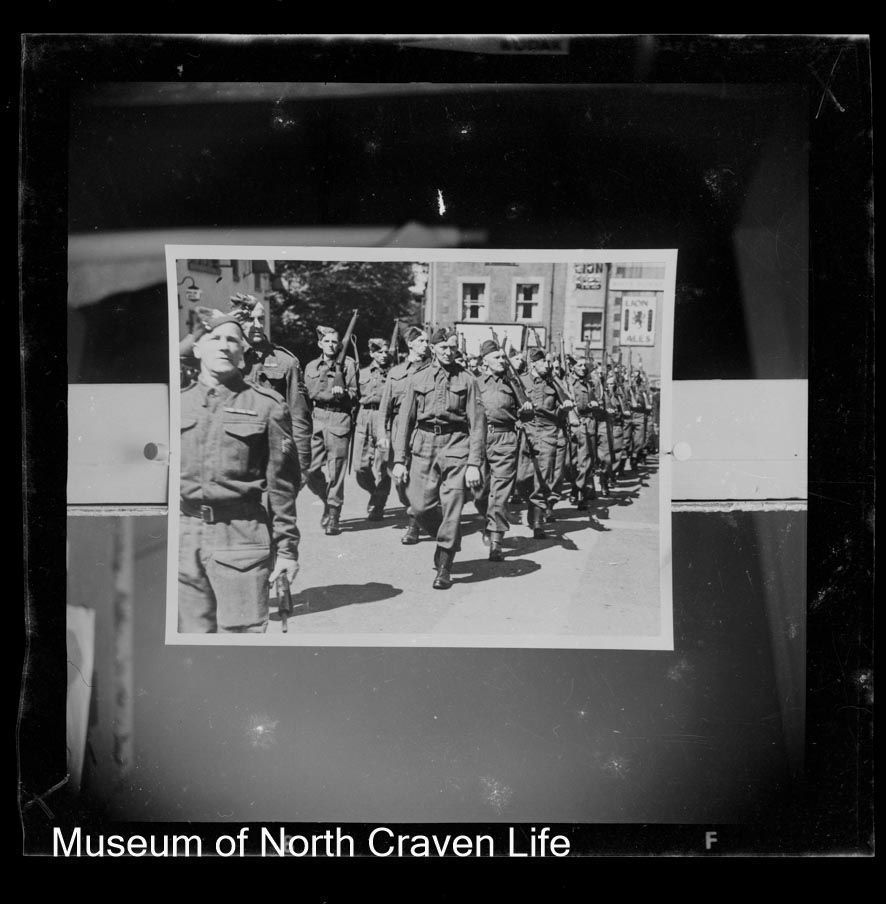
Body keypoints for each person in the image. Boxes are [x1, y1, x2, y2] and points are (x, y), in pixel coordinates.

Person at [178, 313, 300, 634]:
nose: (224, 346)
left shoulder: (266, 405)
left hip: (241, 538)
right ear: (197, 349)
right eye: (214, 338)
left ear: (243, 353)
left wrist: (287, 551)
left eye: (232, 340)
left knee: (240, 641)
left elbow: (283, 487)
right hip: (183, 535)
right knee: (189, 643)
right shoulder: (177, 403)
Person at [392, 327, 485, 589]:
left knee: (453, 507)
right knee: (419, 507)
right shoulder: (417, 377)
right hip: (423, 446)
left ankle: (445, 563)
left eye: (453, 347)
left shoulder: (467, 379)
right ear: (433, 348)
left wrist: (474, 463)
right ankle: (445, 536)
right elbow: (405, 421)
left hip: (456, 446)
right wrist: (399, 459)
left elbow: (477, 424)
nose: (448, 352)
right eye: (443, 347)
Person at [230, 293, 312, 488]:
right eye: (250, 320)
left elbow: (299, 416)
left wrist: (302, 465)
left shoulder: (286, 362)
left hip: (273, 457)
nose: (257, 325)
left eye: (261, 319)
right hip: (234, 457)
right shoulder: (226, 359)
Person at [473, 339, 534, 561]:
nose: (502, 360)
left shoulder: (513, 384)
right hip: (479, 438)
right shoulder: (474, 382)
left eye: (502, 357)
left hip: (505, 439)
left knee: (500, 494)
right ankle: (488, 522)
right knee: (480, 492)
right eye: (497, 357)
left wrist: (527, 410)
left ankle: (496, 540)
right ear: (485, 361)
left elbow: (527, 415)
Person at [377, 326, 435, 544]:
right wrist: (382, 433)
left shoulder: (434, 370)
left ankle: (413, 525)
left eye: (427, 341)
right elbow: (384, 407)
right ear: (410, 344)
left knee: (419, 481)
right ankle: (415, 509)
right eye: (421, 341)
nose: (425, 345)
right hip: (398, 432)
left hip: (423, 431)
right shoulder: (396, 373)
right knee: (400, 482)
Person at [303, 325, 358, 535]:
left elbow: (355, 394)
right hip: (317, 417)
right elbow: (305, 395)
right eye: (327, 341)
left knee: (336, 470)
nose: (331, 345)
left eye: (334, 342)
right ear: (320, 344)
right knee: (309, 469)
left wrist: (343, 393)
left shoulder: (349, 364)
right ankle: (327, 500)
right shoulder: (311, 366)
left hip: (338, 417)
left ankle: (334, 514)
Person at [520, 348, 574, 538]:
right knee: (521, 478)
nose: (548, 365)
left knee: (542, 476)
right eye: (544, 361)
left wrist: (565, 409)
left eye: (549, 362)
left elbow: (562, 408)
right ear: (533, 363)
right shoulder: (520, 380)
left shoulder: (554, 383)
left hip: (547, 431)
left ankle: (537, 520)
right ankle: (530, 502)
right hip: (525, 431)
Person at [354, 337, 393, 520]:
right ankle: (375, 493)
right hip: (364, 416)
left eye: (386, 352)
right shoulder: (361, 373)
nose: (384, 355)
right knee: (360, 467)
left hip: (385, 419)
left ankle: (379, 504)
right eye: (379, 352)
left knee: (383, 466)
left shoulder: (394, 374)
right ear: (371, 353)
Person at [567, 356, 598, 508]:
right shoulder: (566, 383)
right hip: (571, 425)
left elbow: (596, 399)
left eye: (584, 365)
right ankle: (574, 486)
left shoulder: (589, 383)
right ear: (572, 367)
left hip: (586, 423)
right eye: (579, 365)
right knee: (571, 462)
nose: (583, 368)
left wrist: (594, 404)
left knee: (585, 461)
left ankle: (581, 492)